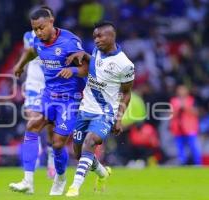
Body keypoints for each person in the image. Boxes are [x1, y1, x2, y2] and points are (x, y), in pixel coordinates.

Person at [9, 6, 88, 195]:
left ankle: (60, 177)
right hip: (49, 95)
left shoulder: (69, 42)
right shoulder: (38, 40)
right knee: (32, 126)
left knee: (58, 143)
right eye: (35, 29)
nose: (38, 32)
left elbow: (87, 67)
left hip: (70, 99)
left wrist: (74, 71)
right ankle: (28, 181)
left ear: (51, 21)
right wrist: (20, 65)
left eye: (41, 28)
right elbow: (31, 51)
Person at [64, 21, 135, 197]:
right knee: (79, 154)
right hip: (84, 109)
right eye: (95, 36)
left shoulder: (125, 64)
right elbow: (95, 63)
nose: (96, 40)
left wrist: (118, 119)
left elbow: (126, 93)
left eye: (100, 36)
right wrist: (84, 55)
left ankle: (75, 187)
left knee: (90, 142)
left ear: (112, 36)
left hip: (105, 113)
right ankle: (103, 173)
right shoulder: (96, 51)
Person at [22, 6, 56, 179]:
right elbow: (28, 55)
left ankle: (51, 158)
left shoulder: (60, 38)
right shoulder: (29, 37)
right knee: (33, 120)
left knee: (51, 127)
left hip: (51, 86)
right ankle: (35, 150)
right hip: (34, 85)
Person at [170, 85, 201, 165]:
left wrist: (186, 107)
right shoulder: (173, 101)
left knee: (194, 146)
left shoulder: (192, 100)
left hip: (190, 128)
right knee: (180, 148)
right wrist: (178, 108)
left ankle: (197, 163)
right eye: (179, 90)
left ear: (187, 91)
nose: (181, 92)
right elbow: (171, 115)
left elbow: (197, 113)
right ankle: (182, 163)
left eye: (183, 90)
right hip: (178, 128)